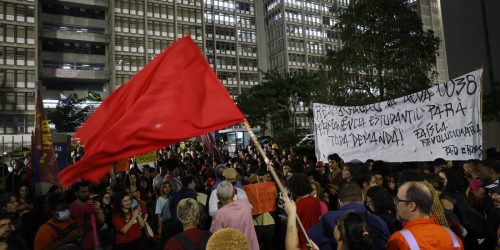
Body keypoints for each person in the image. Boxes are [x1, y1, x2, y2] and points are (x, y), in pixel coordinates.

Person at [308, 182, 389, 250]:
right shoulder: (379, 222)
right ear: (363, 198)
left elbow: (310, 239)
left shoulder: (327, 220)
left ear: (339, 202)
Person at [387, 181, 464, 250]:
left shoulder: (399, 241)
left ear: (411, 206)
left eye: (398, 200)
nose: (395, 204)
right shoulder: (451, 236)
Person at [210, 181, 259, 250]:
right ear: (233, 193)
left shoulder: (220, 214)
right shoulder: (245, 204)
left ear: (217, 196)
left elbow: (214, 235)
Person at [287, 174, 321, 249]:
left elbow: (295, 226)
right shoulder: (316, 201)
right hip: (315, 238)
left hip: (303, 239)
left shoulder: (298, 205)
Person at [69, 181, 105, 250]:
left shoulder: (92, 204)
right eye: (83, 192)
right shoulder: (71, 208)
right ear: (76, 193)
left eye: (87, 191)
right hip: (80, 244)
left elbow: (101, 221)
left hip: (96, 242)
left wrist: (99, 210)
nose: (87, 194)